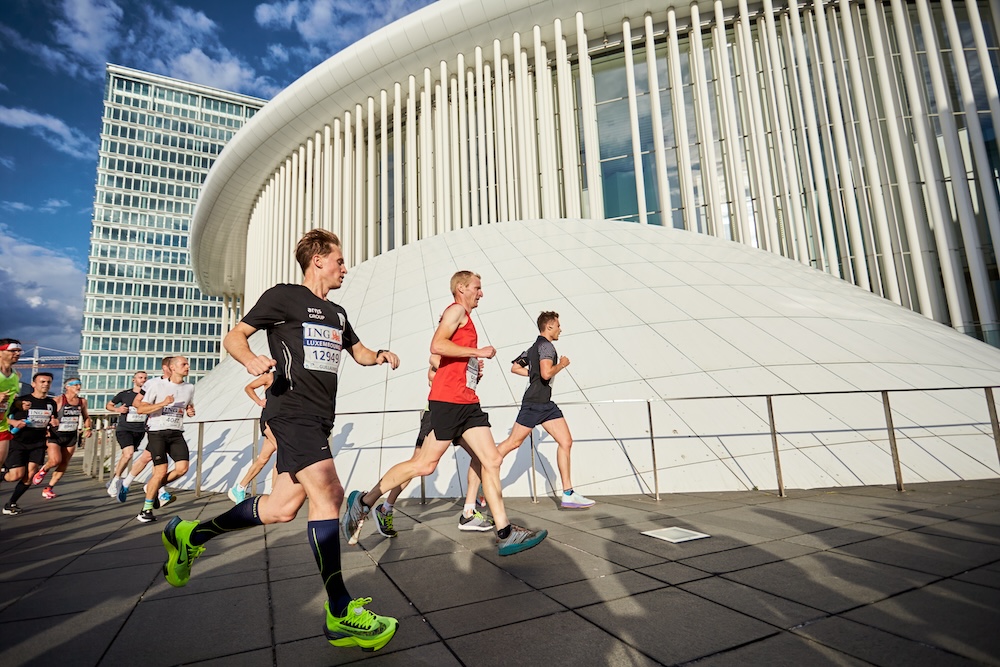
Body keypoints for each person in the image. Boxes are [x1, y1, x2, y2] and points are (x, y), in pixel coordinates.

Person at [159, 229, 399, 652]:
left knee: (280, 508)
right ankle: (340, 612)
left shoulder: (338, 313)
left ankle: (191, 536)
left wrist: (379, 355)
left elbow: (356, 352)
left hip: (319, 418)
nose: (345, 267)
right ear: (318, 260)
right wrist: (250, 358)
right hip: (290, 411)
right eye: (339, 260)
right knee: (329, 493)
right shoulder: (285, 296)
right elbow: (234, 336)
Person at [344, 270, 548, 556]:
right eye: (477, 287)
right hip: (448, 402)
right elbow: (437, 345)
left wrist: (471, 369)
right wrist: (477, 352)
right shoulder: (455, 310)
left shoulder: (465, 317)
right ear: (462, 288)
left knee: (490, 459)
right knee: (424, 465)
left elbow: (445, 356)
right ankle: (364, 501)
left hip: (467, 401)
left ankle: (505, 532)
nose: (481, 293)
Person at [466, 311, 594, 511]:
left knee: (566, 441)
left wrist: (533, 374)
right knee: (512, 443)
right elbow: (545, 373)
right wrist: (561, 364)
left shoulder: (534, 347)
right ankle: (484, 479)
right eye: (558, 325)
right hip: (534, 403)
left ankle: (568, 494)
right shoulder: (547, 347)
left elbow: (515, 367)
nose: (561, 329)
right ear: (549, 327)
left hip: (546, 404)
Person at [371, 354, 484, 538]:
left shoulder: (465, 357)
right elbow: (432, 374)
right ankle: (384, 507)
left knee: (481, 456)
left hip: (460, 412)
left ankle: (469, 512)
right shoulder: (443, 352)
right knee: (418, 464)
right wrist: (455, 370)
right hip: (436, 414)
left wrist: (473, 374)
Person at [133, 356, 195, 522]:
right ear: (173, 368)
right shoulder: (157, 385)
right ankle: (146, 510)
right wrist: (162, 403)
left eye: (188, 364)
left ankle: (152, 486)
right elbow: (141, 409)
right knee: (160, 471)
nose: (188, 366)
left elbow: (187, 404)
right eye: (184, 364)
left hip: (176, 432)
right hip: (157, 432)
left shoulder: (189, 387)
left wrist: (190, 410)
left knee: (182, 468)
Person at [116, 358, 175, 507]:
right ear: (165, 368)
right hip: (155, 427)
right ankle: (158, 491)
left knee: (147, 456)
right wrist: (157, 405)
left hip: (171, 427)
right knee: (159, 461)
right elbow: (137, 403)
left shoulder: (180, 385)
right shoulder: (152, 384)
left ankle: (127, 483)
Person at [3, 372, 58, 515]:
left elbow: (53, 420)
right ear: (34, 384)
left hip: (38, 443)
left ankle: (11, 503)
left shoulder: (51, 403)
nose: (45, 384)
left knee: (30, 474)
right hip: (18, 442)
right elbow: (3, 417)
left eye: (48, 382)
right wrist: (13, 421)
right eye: (42, 381)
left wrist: (54, 423)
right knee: (16, 475)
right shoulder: (21, 401)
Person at [32, 377, 92, 498]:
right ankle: (44, 469)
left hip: (71, 436)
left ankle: (49, 488)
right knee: (55, 460)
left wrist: (88, 428)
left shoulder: (82, 402)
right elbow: (46, 416)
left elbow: (86, 417)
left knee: (64, 463)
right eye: (75, 384)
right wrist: (49, 424)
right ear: (67, 387)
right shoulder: (58, 400)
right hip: (55, 435)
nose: (78, 387)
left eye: (79, 384)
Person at [228, 371, 277, 503]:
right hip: (270, 420)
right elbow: (248, 387)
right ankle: (275, 493)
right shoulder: (270, 377)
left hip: (283, 422)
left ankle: (239, 488)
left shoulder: (291, 378)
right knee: (285, 451)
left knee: (263, 459)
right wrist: (259, 401)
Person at [105, 371, 149, 499]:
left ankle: (114, 478)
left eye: (145, 378)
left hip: (140, 430)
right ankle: (116, 481)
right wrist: (117, 409)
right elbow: (109, 405)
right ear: (134, 380)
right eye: (140, 378)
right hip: (124, 429)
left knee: (128, 455)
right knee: (128, 453)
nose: (143, 380)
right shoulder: (125, 394)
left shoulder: (148, 395)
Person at [0, 339, 23, 471]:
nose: (17, 353)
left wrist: (19, 404)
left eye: (19, 350)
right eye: (13, 350)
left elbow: (11, 400)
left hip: (2, 425)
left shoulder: (15, 376)